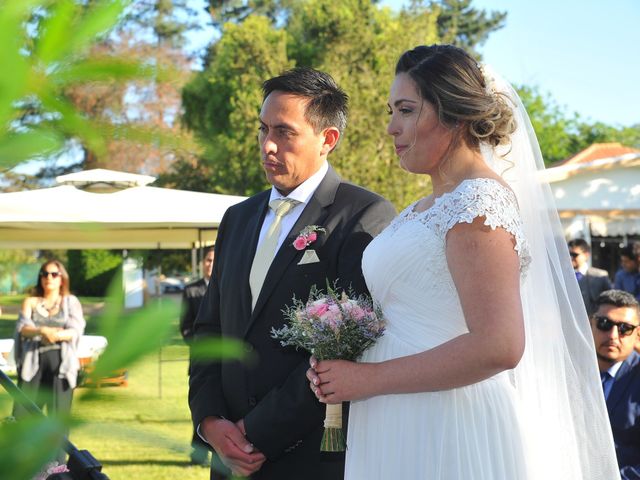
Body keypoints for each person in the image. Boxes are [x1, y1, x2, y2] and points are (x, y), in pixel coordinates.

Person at [307, 44, 620, 479]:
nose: (391, 128)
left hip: (448, 422)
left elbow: (499, 345)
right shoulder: (426, 205)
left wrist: (367, 380)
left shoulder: (478, 204)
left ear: (452, 114)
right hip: (397, 418)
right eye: (391, 110)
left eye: (406, 110)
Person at [188, 67, 396, 480]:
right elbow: (209, 329)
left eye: (284, 132)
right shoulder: (237, 218)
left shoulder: (363, 216)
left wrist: (256, 432)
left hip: (307, 457)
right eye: (263, 129)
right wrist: (211, 423)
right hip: (227, 458)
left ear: (328, 139)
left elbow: (346, 349)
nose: (268, 145)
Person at [13, 259, 85, 461]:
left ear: (62, 278)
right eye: (45, 274)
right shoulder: (31, 302)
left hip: (61, 365)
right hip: (32, 364)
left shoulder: (70, 302)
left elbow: (76, 330)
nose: (48, 278)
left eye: (54, 274)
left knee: (58, 419)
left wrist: (56, 335)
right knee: (23, 415)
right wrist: (42, 330)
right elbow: (22, 329)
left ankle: (57, 468)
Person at [589, 290, 640, 479]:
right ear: (590, 324)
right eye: (604, 324)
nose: (613, 335)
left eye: (624, 328)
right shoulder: (567, 370)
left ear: (637, 334)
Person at [180, 247, 215, 466]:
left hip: (225, 359)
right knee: (201, 405)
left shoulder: (230, 286)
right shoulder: (191, 290)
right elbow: (185, 327)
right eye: (208, 260)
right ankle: (199, 452)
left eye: (215, 260)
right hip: (201, 359)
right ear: (202, 263)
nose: (211, 264)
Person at [568, 238, 612, 315]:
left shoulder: (600, 276)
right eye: (569, 254)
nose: (571, 258)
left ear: (586, 255)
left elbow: (609, 300)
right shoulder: (563, 276)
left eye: (574, 255)